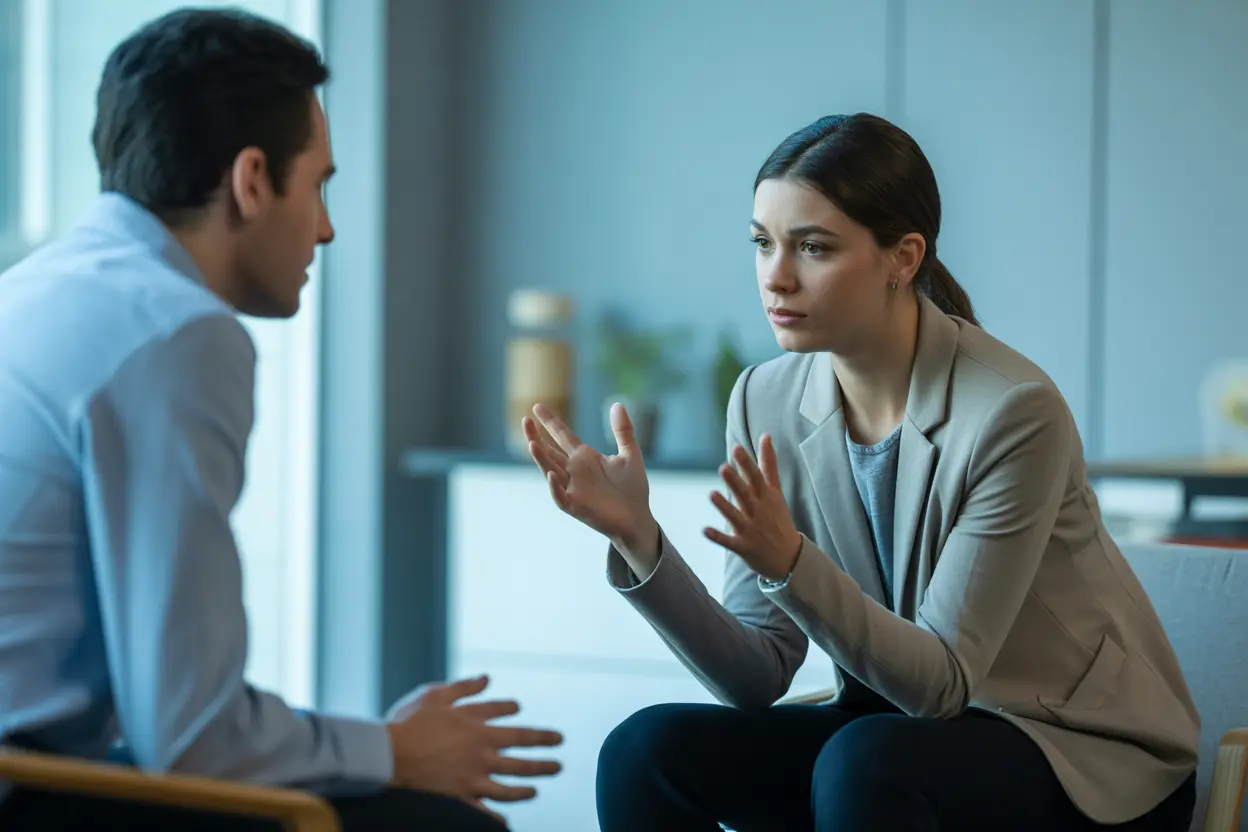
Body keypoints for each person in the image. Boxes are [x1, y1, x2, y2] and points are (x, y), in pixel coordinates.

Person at [522, 113, 1200, 831]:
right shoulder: (764, 399)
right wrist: (640, 539)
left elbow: (942, 684)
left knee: (865, 760)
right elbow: (757, 676)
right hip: (890, 734)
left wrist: (791, 561)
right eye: (762, 243)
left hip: (1076, 755)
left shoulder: (1013, 412)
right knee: (644, 749)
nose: (776, 277)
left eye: (812, 248)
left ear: (903, 258)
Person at [0, 8, 560, 831]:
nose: (327, 228)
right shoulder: (176, 330)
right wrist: (400, 751)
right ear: (252, 179)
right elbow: (192, 741)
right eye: (320, 184)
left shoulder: (36, 287)